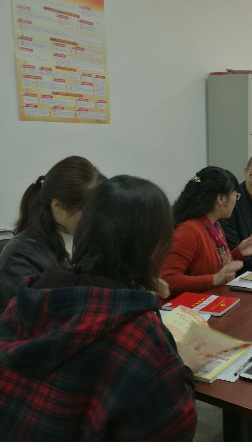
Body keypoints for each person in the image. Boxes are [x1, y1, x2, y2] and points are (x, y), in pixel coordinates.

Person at [0, 175, 206, 440]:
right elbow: (175, 429)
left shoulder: (33, 293)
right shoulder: (141, 337)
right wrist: (182, 367)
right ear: (157, 249)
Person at [0, 156, 106, 312]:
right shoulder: (20, 257)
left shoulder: (95, 242)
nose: (98, 217)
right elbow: (21, 319)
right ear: (58, 206)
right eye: (90, 210)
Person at [161, 166, 252, 297]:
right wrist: (214, 279)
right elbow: (167, 280)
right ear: (221, 199)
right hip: (189, 305)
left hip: (210, 297)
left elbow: (210, 266)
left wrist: (238, 253)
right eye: (235, 195)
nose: (236, 201)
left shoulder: (215, 226)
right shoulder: (188, 231)